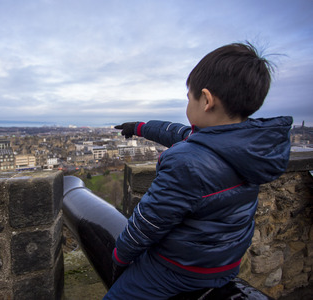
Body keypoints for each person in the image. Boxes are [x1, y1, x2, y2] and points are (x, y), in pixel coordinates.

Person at [105, 42, 292, 299]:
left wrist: (119, 257)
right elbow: (181, 133)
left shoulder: (186, 162)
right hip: (227, 261)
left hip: (180, 268)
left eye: (188, 97)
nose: (187, 105)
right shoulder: (250, 147)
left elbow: (148, 222)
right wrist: (140, 127)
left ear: (206, 99)